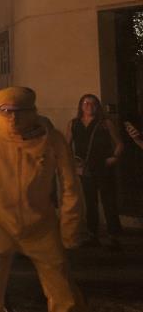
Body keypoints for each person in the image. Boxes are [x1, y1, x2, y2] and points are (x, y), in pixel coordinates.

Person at [0, 87, 86, 311]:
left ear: (32, 110)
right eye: (6, 110)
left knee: (62, 289)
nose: (13, 117)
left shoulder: (51, 139)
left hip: (40, 223)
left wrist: (70, 227)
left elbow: (70, 186)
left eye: (19, 111)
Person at [66, 93, 124, 250]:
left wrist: (114, 157)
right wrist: (72, 162)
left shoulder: (105, 123)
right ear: (81, 106)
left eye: (92, 104)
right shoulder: (74, 124)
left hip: (103, 166)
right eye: (86, 103)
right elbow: (67, 145)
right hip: (85, 168)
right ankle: (92, 234)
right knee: (90, 202)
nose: (89, 106)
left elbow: (119, 143)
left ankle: (113, 235)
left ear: (97, 106)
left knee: (108, 200)